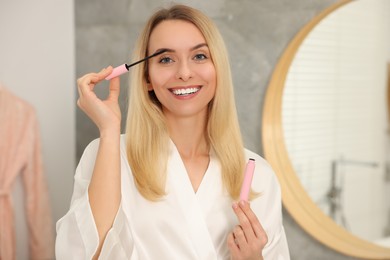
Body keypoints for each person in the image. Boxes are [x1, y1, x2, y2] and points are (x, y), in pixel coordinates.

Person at [55, 4, 290, 260]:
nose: (185, 73)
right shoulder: (108, 153)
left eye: (199, 56)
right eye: (165, 59)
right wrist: (109, 130)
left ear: (218, 68)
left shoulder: (258, 176)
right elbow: (82, 255)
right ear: (146, 78)